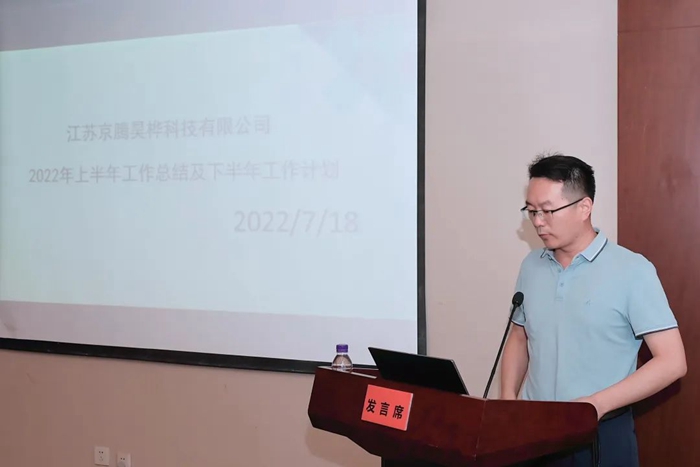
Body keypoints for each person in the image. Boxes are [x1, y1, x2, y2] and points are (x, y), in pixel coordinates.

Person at [500, 153, 687, 467]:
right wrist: (508, 401)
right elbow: (519, 337)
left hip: (600, 433)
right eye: (531, 211)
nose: (538, 222)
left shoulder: (632, 270)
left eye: (547, 210)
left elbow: (672, 362)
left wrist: (595, 405)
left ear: (584, 207)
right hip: (532, 431)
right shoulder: (531, 266)